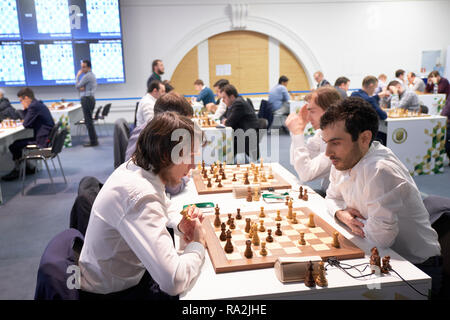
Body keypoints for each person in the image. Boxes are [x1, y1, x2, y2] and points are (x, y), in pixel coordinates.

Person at [320, 97, 442, 297]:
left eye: (335, 143)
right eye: (326, 143)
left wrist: (352, 220)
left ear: (365, 138)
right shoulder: (345, 160)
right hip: (380, 254)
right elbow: (331, 198)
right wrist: (342, 214)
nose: (327, 153)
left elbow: (380, 238)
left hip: (416, 267)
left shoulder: (380, 170)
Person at [79, 111, 206, 299]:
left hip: (121, 277)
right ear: (165, 155)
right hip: (117, 293)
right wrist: (197, 245)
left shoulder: (138, 167)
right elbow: (173, 281)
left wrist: (180, 223)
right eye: (190, 156)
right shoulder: (138, 195)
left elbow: (161, 200)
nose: (194, 166)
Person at [126, 91, 194, 195]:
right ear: (172, 119)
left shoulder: (148, 129)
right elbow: (171, 186)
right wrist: (184, 179)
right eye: (185, 124)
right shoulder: (159, 138)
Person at [285, 87, 341, 196]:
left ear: (329, 111)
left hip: (341, 203)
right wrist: (298, 131)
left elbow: (306, 174)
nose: (308, 117)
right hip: (329, 194)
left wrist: (297, 134)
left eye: (312, 111)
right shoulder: (321, 132)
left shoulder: (339, 139)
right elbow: (295, 162)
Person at [2, 88, 55, 181]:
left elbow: (26, 124)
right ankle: (27, 167)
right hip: (46, 136)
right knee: (17, 144)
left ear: (26, 98)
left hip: (42, 140)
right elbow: (29, 123)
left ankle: (18, 169)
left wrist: (25, 109)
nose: (21, 102)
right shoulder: (38, 103)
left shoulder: (33, 106)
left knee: (14, 146)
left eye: (21, 100)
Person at [222, 84, 260, 160]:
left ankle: (226, 164)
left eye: (224, 97)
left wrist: (226, 120)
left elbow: (228, 123)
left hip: (247, 137)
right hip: (243, 133)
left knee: (223, 144)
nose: (223, 100)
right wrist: (226, 119)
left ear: (232, 97)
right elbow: (224, 117)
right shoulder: (235, 102)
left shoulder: (238, 103)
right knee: (223, 141)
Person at [76, 60, 98, 147]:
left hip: (87, 99)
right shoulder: (91, 75)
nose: (82, 69)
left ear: (89, 67)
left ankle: (93, 141)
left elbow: (77, 86)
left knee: (88, 122)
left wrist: (77, 76)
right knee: (89, 121)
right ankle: (94, 140)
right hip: (90, 98)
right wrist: (83, 87)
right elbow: (81, 87)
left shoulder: (87, 76)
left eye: (83, 67)